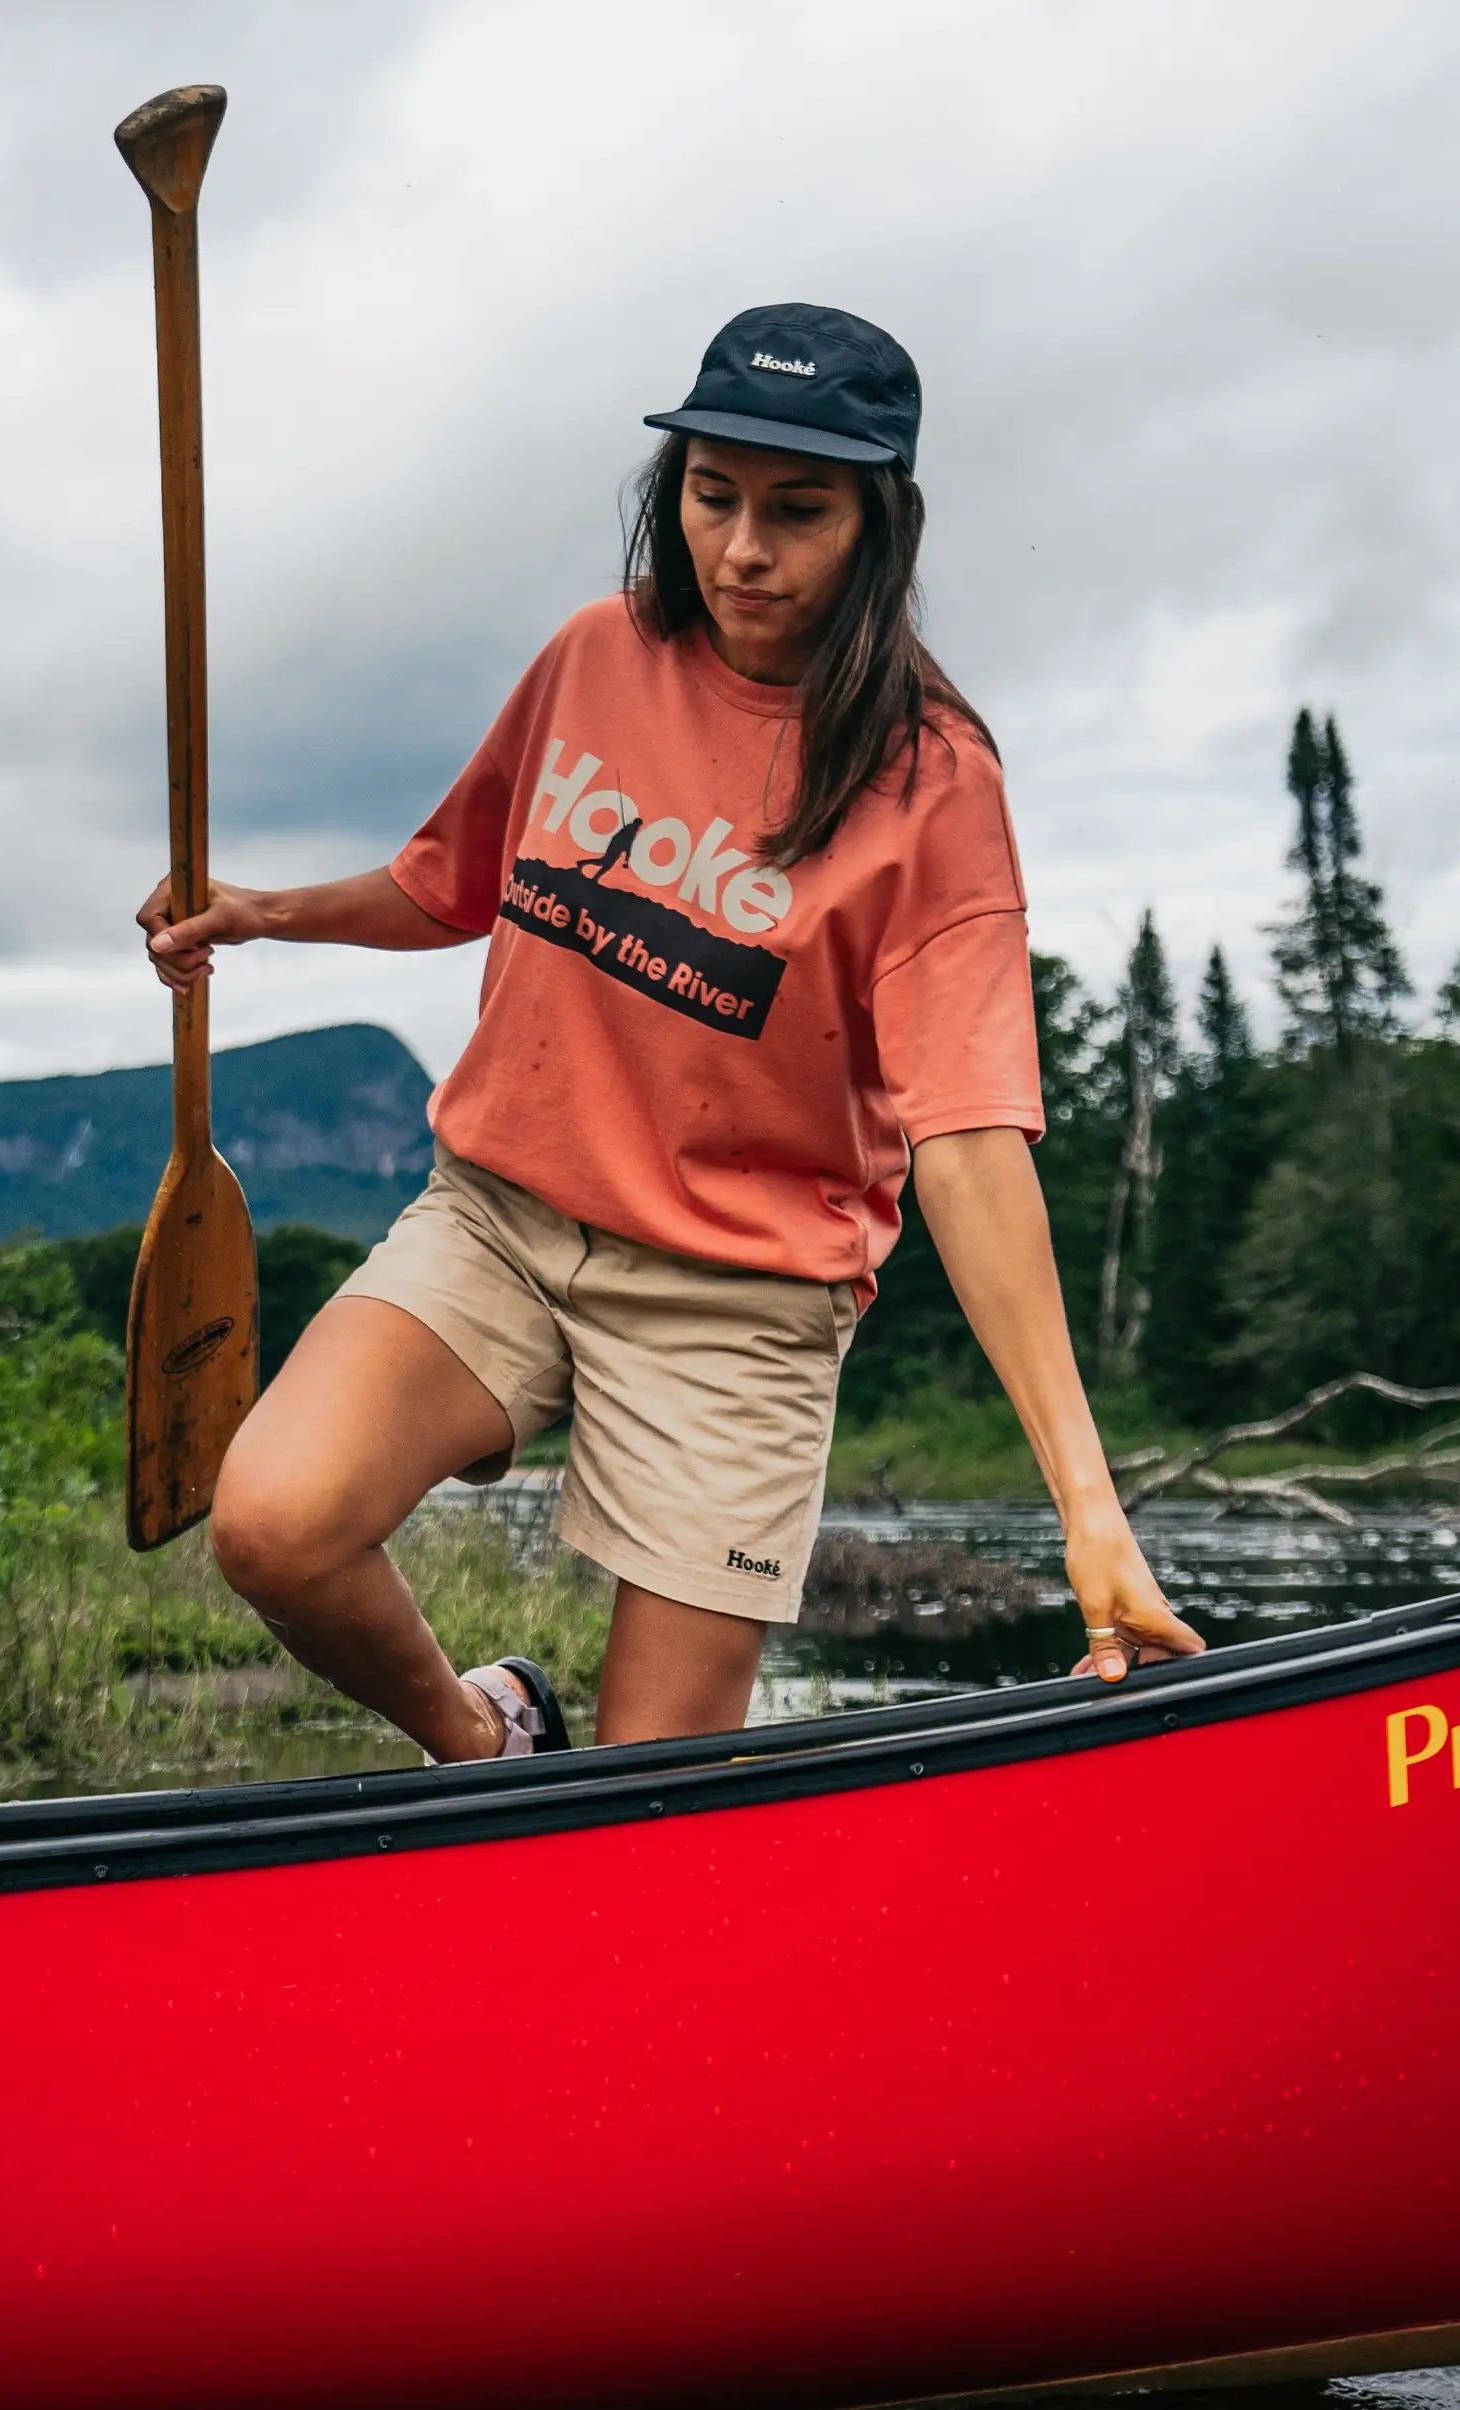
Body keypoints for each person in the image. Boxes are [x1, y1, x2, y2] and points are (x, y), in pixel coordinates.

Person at [139, 303, 1202, 1763]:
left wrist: (1087, 1506)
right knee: (273, 1521)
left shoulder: (931, 778)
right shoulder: (595, 655)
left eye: (799, 511)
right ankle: (482, 1739)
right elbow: (457, 878)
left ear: (879, 524)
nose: (743, 551)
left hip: (738, 1301)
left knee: (652, 1798)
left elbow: (965, 1139)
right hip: (500, 1224)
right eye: (712, 496)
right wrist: (268, 914)